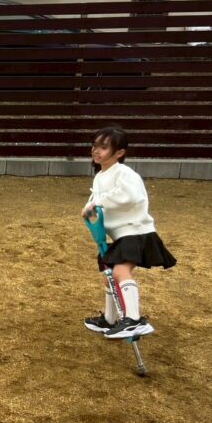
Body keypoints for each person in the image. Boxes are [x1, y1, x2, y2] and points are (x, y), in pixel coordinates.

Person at [81, 125, 176, 339]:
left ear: (119, 152)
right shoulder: (101, 176)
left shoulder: (124, 173)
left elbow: (129, 196)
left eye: (103, 147)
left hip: (136, 231)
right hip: (121, 234)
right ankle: (110, 320)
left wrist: (96, 203)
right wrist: (90, 208)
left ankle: (133, 320)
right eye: (95, 145)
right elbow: (99, 199)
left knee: (120, 272)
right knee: (109, 277)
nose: (96, 150)